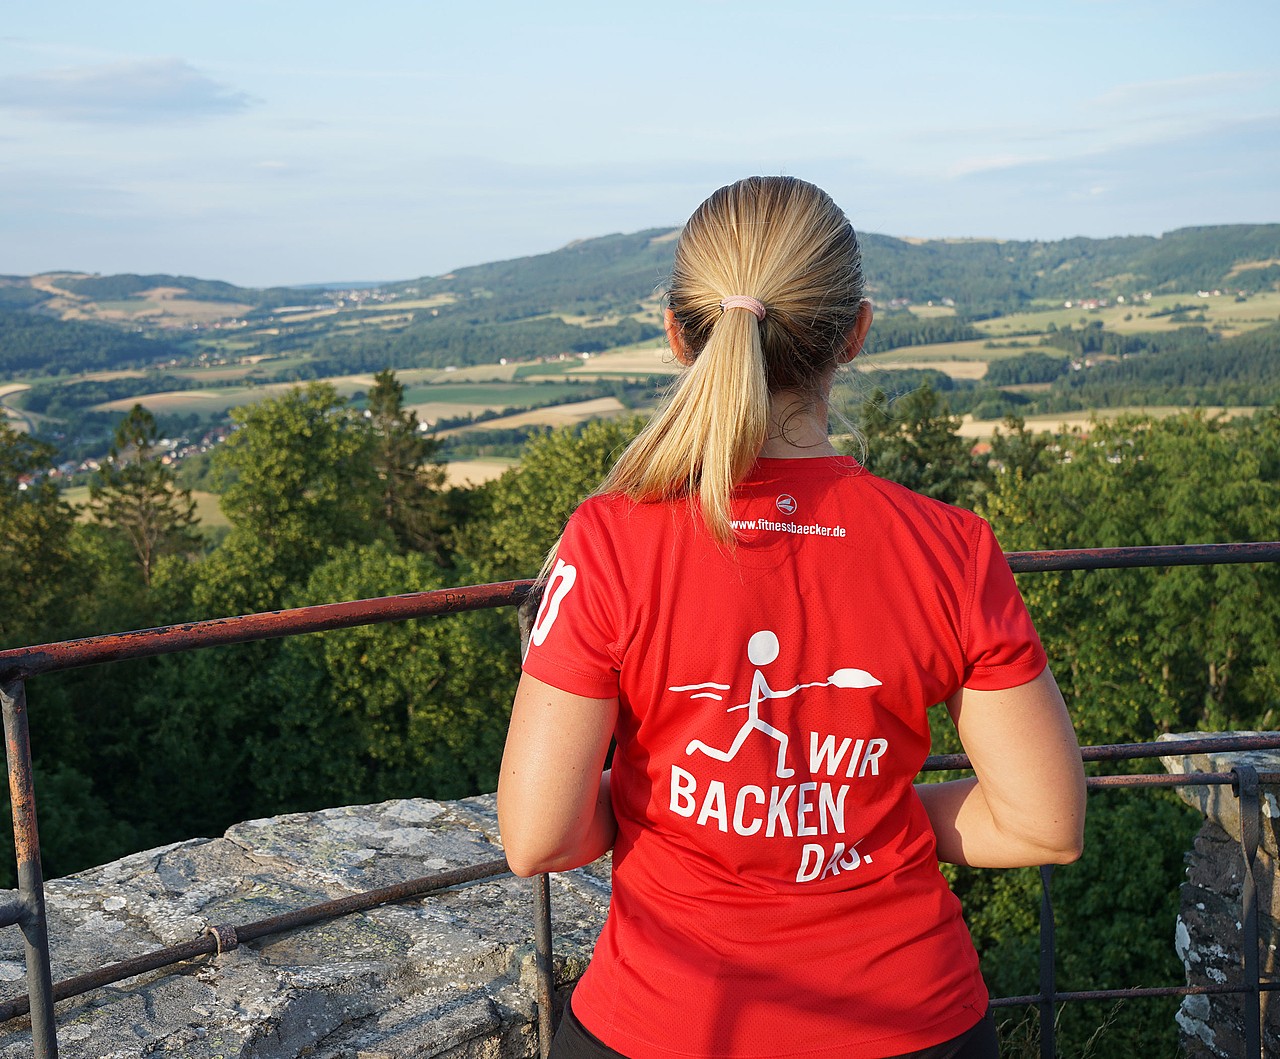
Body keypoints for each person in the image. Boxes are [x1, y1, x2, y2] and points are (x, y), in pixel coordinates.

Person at [498, 176, 1086, 1059]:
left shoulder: (610, 539)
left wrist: (669, 814)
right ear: (856, 332)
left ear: (675, 331)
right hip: (912, 1023)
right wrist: (859, 816)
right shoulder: (949, 547)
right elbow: (1045, 823)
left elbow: (539, 835)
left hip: (665, 1025)